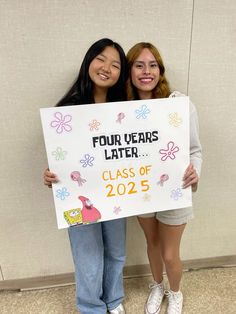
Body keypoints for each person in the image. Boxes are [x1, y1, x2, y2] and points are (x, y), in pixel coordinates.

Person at [43, 38, 128, 314]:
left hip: (116, 192)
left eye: (115, 64)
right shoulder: (65, 111)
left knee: (116, 250)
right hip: (79, 198)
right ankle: (91, 307)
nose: (107, 68)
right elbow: (60, 161)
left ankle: (114, 300)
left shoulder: (124, 111)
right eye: (101, 59)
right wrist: (51, 175)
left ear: (120, 74)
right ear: (88, 61)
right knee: (87, 256)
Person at [126, 42, 202, 314]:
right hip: (141, 190)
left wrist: (195, 171)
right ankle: (157, 286)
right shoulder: (121, 110)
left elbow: (195, 150)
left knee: (170, 254)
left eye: (152, 64)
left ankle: (176, 292)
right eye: (139, 65)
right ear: (130, 71)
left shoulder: (178, 104)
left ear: (160, 70)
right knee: (153, 245)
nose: (146, 71)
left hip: (174, 189)